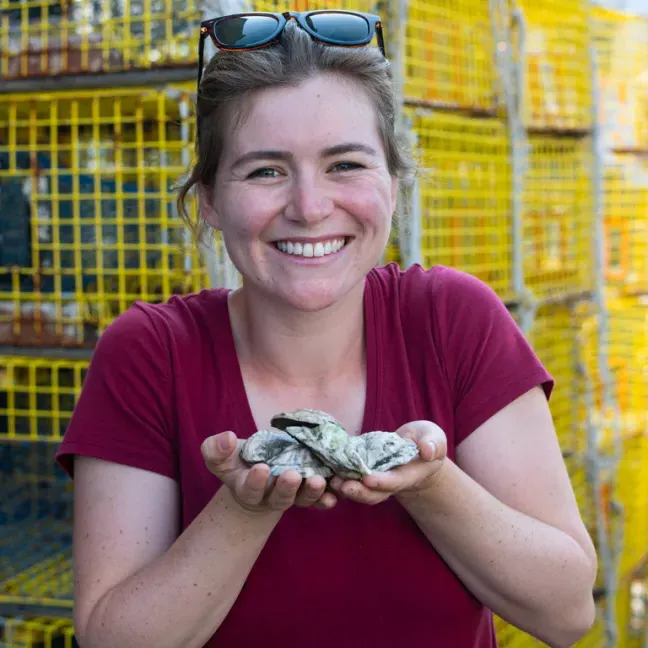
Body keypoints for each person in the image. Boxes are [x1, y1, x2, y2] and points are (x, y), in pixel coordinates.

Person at [56, 10, 597, 648]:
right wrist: (244, 506)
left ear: (393, 186)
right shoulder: (149, 352)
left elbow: (566, 613)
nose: (310, 208)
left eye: (345, 165)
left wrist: (431, 481)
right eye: (265, 170)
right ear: (208, 200)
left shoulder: (454, 318)